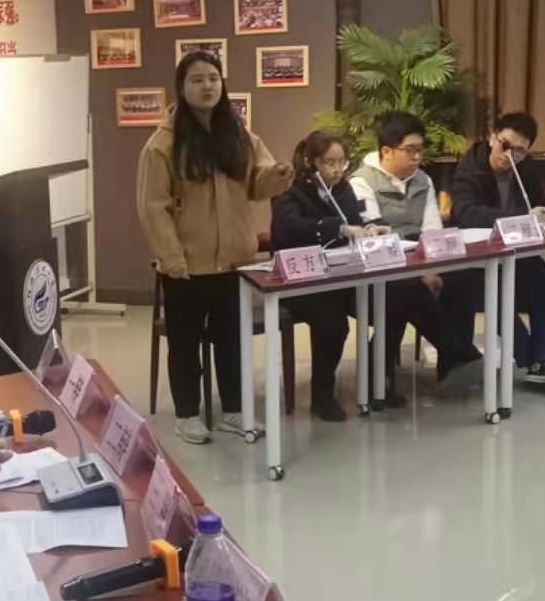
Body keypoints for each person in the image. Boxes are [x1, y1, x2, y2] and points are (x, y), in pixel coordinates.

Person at [137, 51, 294, 444]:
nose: (207, 86)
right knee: (185, 343)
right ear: (181, 88)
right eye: (197, 80)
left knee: (232, 342)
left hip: (235, 263)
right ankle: (187, 414)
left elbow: (256, 185)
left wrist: (278, 176)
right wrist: (172, 258)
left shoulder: (238, 135)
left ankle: (234, 410)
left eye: (213, 78)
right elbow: (152, 207)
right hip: (186, 266)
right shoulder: (162, 145)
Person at [346, 111, 484, 393]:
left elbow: (433, 231)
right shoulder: (361, 183)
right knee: (407, 290)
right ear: (386, 151)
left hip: (420, 261)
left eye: (420, 149)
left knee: (463, 279)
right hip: (380, 269)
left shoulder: (423, 180)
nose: (418, 156)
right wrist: (421, 272)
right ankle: (460, 354)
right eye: (410, 150)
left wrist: (432, 268)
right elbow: (377, 239)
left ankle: (450, 369)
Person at [444, 111, 545, 393]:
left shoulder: (525, 167)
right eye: (506, 145)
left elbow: (539, 199)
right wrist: (521, 217)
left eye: (520, 151)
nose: (510, 155)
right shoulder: (470, 168)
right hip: (473, 262)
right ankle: (536, 363)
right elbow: (468, 214)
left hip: (512, 256)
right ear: (493, 138)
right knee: (498, 295)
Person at [270, 131, 383, 420]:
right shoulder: (289, 190)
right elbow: (292, 230)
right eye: (329, 163)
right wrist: (338, 228)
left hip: (341, 275)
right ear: (312, 163)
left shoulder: (343, 189)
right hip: (301, 281)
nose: (337, 169)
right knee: (333, 323)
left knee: (391, 300)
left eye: (341, 162)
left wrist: (369, 230)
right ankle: (322, 394)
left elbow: (355, 222)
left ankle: (380, 381)